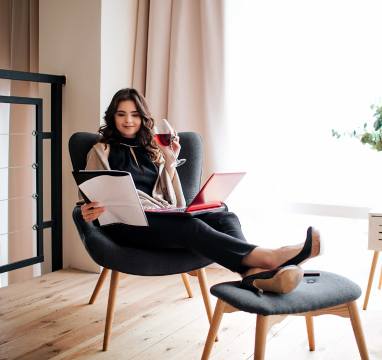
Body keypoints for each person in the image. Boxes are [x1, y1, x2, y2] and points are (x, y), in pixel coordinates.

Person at [80, 88, 323, 294]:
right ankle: (269, 257)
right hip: (128, 223)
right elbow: (88, 196)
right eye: (121, 114)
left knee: (226, 216)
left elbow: (174, 198)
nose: (128, 120)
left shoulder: (152, 149)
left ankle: (251, 273)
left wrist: (169, 157)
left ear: (143, 117)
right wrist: (87, 211)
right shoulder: (101, 151)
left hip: (161, 215)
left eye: (134, 114)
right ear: (112, 117)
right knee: (189, 226)